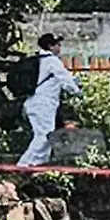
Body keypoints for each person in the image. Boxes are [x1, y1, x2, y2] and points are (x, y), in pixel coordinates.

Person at [17, 33, 81, 167]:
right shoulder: (52, 61)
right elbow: (66, 80)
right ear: (50, 46)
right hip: (43, 103)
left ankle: (37, 164)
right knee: (44, 135)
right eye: (57, 44)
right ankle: (23, 165)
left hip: (35, 102)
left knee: (44, 135)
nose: (60, 47)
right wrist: (77, 91)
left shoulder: (40, 60)